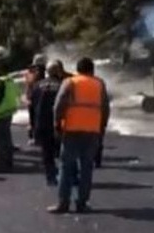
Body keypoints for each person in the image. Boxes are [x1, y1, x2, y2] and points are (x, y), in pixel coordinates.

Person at [48, 57, 110, 214]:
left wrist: (57, 124)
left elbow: (59, 104)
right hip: (92, 132)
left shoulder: (70, 82)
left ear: (78, 69)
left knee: (66, 166)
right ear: (92, 70)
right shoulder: (99, 84)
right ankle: (82, 203)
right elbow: (105, 109)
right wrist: (101, 128)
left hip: (71, 129)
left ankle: (63, 203)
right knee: (87, 168)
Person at [32, 61, 63, 185]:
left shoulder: (38, 85)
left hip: (42, 122)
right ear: (58, 72)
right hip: (59, 122)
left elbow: (33, 104)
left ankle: (50, 177)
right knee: (62, 151)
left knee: (47, 152)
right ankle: (64, 176)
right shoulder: (63, 85)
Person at [25, 54, 47, 146]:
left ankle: (35, 137)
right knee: (35, 118)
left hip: (34, 98)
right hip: (36, 98)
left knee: (34, 118)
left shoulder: (31, 72)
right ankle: (34, 137)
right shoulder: (34, 73)